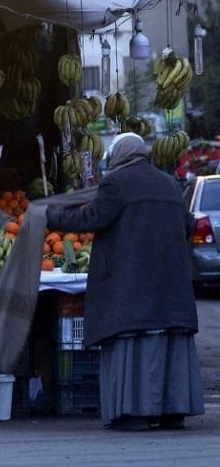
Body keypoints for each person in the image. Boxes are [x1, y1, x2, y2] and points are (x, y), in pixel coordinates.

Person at [45, 132, 204, 430]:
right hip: (171, 287)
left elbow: (90, 219)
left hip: (131, 287)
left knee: (134, 347)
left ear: (118, 155)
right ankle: (173, 411)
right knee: (170, 344)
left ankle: (134, 414)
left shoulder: (117, 182)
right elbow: (188, 225)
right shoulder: (169, 183)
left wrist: (49, 216)